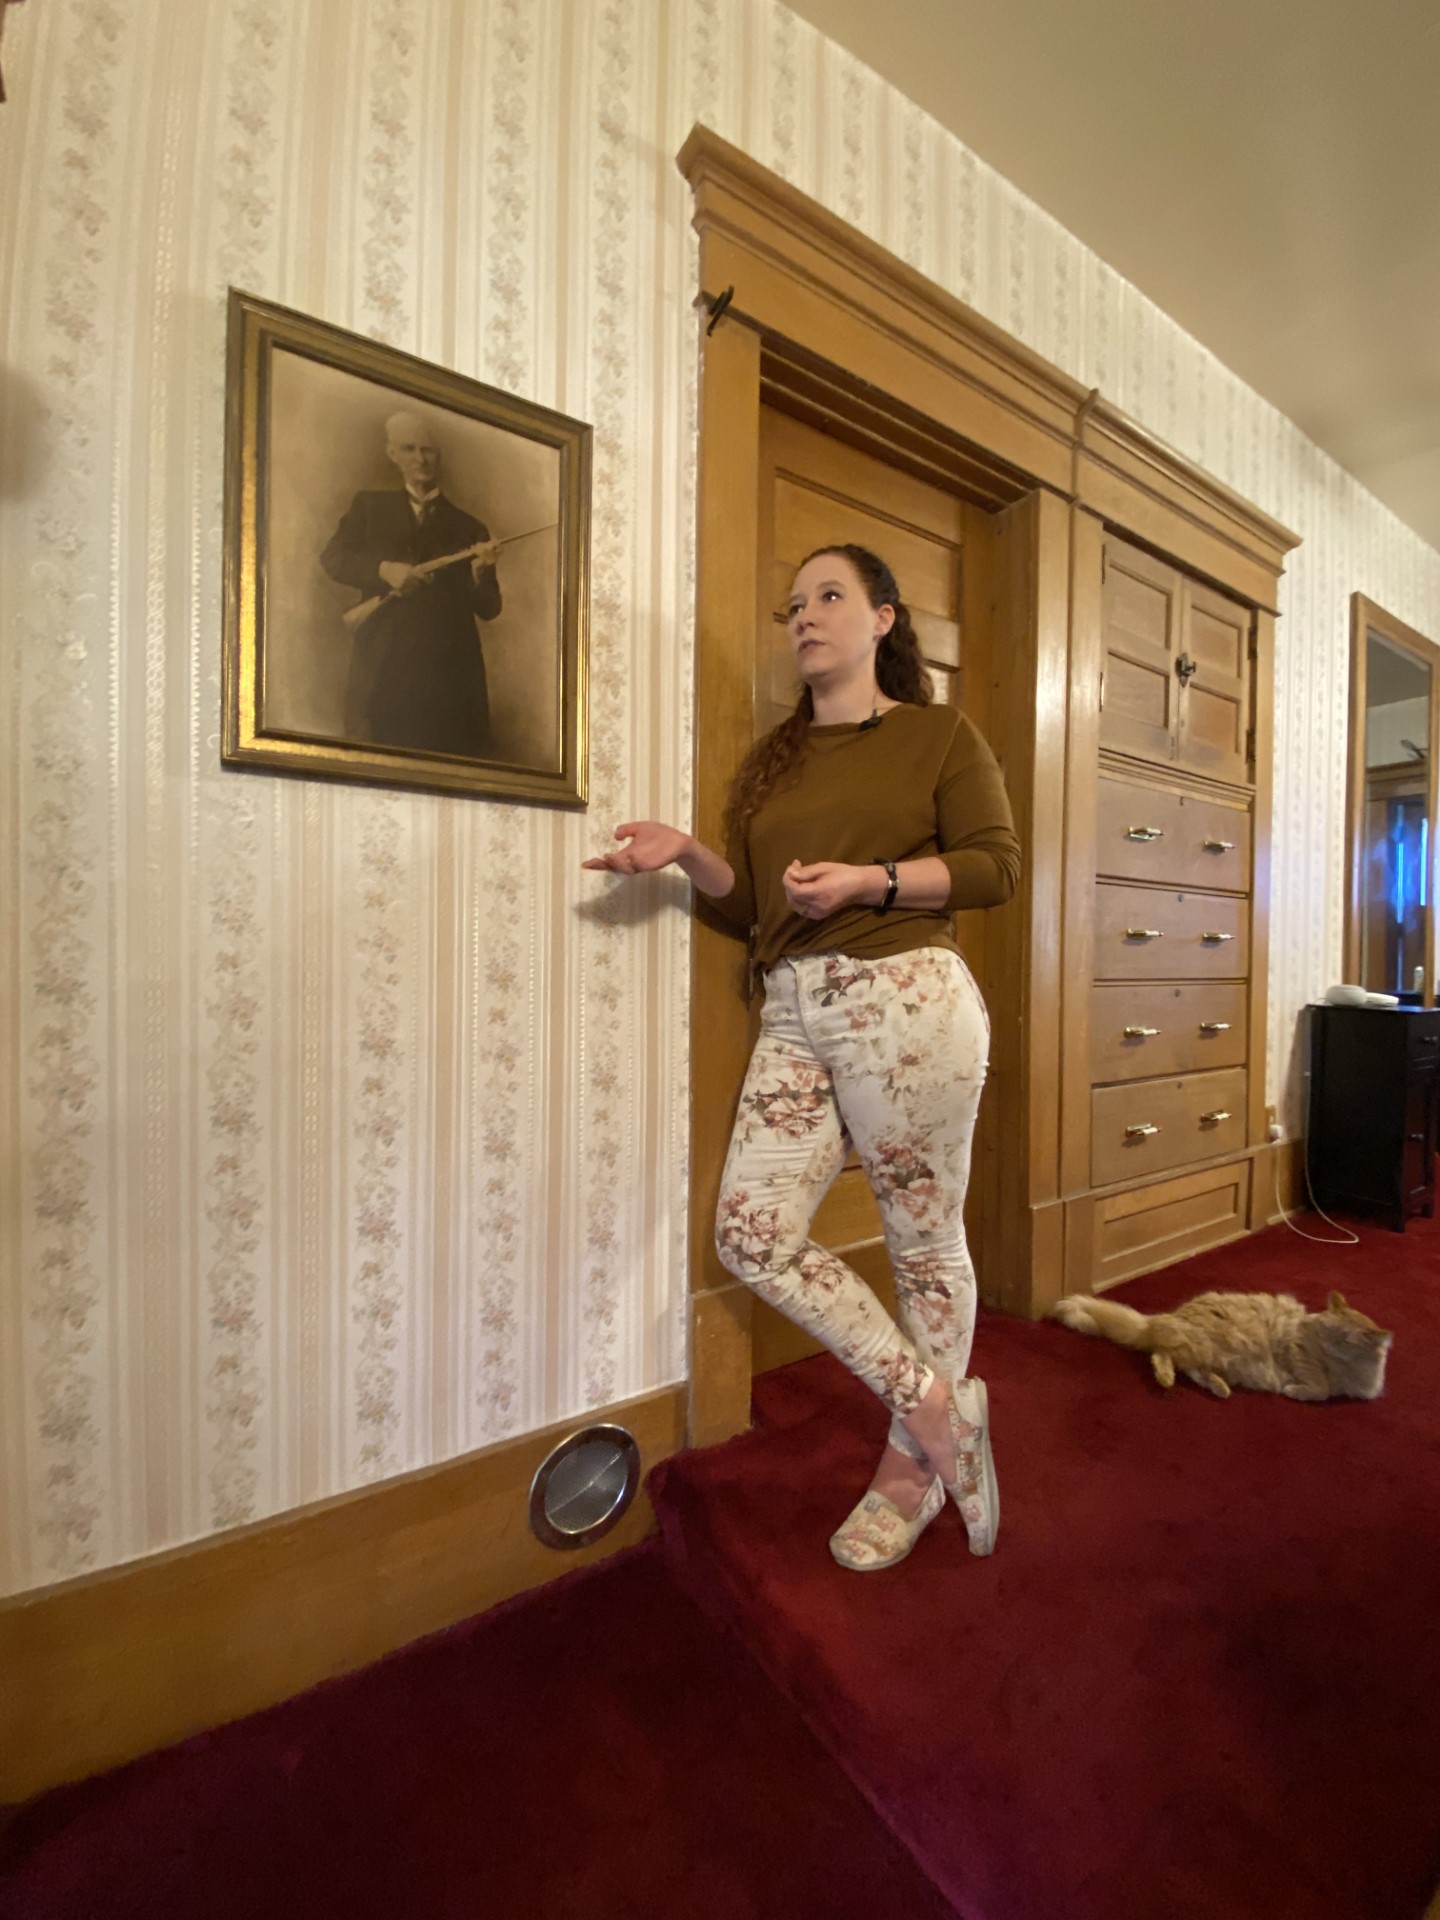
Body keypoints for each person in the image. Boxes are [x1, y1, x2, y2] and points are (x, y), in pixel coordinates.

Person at [583, 543, 1019, 1571]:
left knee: (921, 1240)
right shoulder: (778, 761)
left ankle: (911, 1467)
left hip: (906, 999)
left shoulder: (937, 736)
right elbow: (755, 910)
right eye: (793, 605)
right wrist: (688, 853)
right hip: (793, 1009)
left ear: (883, 620)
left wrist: (869, 879)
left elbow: (994, 867)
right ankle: (942, 1409)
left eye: (830, 597)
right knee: (751, 1232)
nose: (805, 617)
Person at [320, 409, 502, 759]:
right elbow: (333, 558)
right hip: (385, 670)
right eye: (409, 449)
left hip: (450, 679)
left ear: (439, 455)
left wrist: (484, 573)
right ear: (392, 454)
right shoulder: (370, 507)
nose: (420, 459)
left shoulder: (468, 526)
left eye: (428, 450)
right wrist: (383, 569)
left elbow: (489, 608)